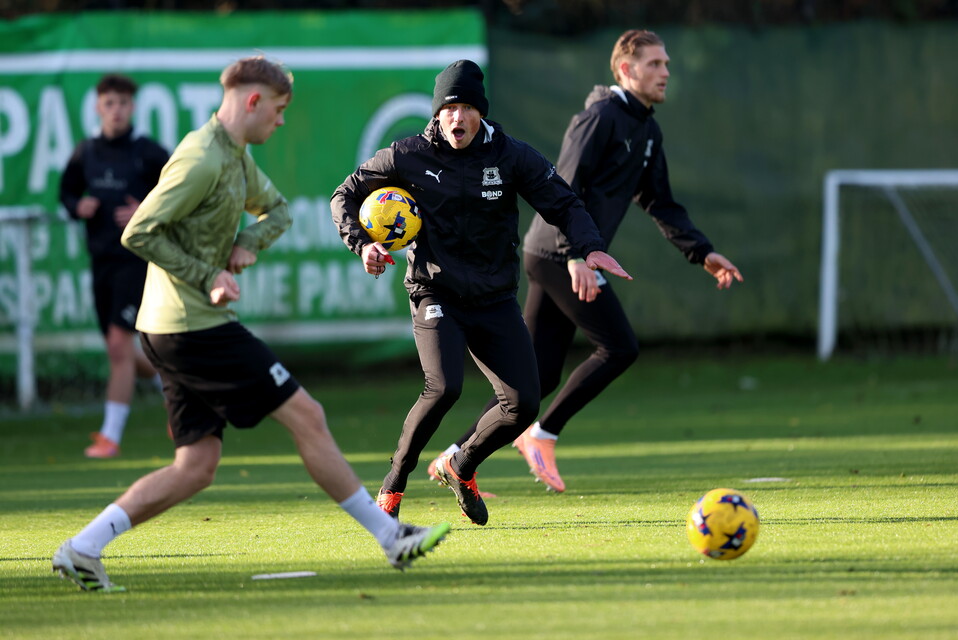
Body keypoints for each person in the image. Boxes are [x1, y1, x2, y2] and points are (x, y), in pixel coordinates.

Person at [51, 56, 449, 593]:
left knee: (196, 466)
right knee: (307, 415)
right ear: (253, 101)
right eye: (279, 110)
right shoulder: (201, 158)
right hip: (190, 327)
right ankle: (390, 535)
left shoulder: (234, 155)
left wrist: (246, 241)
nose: (281, 121)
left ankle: (83, 547)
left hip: (176, 325)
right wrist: (208, 273)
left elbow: (278, 210)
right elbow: (138, 232)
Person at [427, 30, 743, 493]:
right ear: (625, 70)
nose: (665, 72)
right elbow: (562, 188)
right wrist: (576, 255)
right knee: (619, 347)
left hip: (558, 255)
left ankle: (453, 458)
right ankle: (541, 435)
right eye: (654, 64)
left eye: (666, 64)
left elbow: (659, 201)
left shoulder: (646, 130)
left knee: (536, 377)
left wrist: (702, 251)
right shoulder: (599, 117)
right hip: (558, 254)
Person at [331, 59, 632, 527]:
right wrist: (363, 243)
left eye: (467, 108)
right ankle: (393, 484)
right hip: (435, 291)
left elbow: (563, 203)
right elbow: (344, 195)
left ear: (481, 114)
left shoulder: (511, 156)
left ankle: (461, 465)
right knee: (443, 387)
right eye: (449, 109)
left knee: (523, 403)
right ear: (437, 114)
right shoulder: (407, 155)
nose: (457, 117)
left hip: (493, 298)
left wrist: (590, 246)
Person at [59, 73, 169, 458]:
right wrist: (78, 206)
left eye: (123, 103)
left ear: (132, 107)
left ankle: (110, 436)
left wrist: (146, 208)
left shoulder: (147, 152)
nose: (116, 110)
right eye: (109, 103)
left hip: (137, 260)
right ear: (98, 107)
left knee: (120, 345)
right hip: (101, 261)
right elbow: (66, 191)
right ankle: (176, 387)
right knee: (121, 348)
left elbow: (178, 194)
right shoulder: (86, 151)